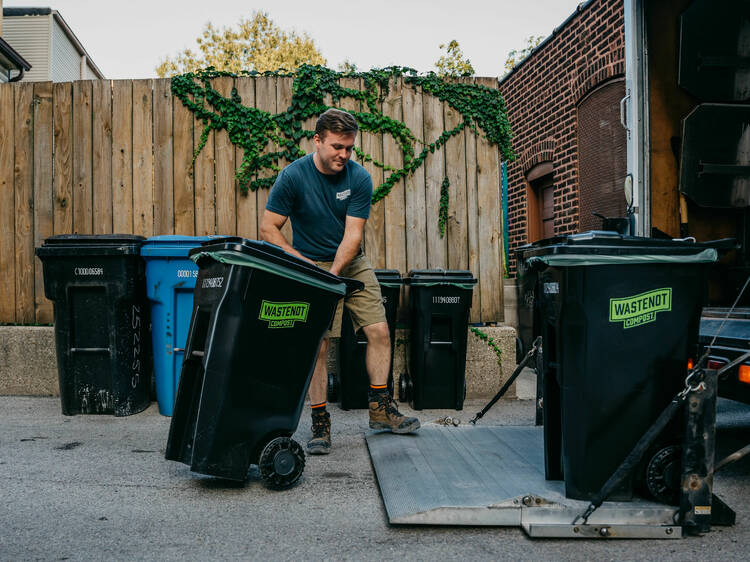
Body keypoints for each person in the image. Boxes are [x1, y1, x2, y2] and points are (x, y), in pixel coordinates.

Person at [260, 108, 420, 454]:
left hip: (349, 264)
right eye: (337, 147)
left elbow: (353, 236)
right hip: (309, 264)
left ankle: (380, 409)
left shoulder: (359, 178)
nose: (344, 155)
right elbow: (268, 227)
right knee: (318, 345)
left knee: (379, 331)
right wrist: (304, 266)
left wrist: (332, 276)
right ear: (316, 140)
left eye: (350, 148)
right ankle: (320, 423)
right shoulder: (293, 177)